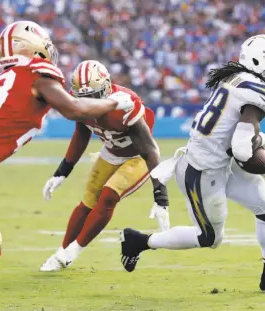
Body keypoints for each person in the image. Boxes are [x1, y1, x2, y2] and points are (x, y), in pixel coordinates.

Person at [0, 21, 135, 305]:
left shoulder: (6, 78)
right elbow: (74, 109)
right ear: (31, 47)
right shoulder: (36, 74)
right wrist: (114, 102)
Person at [119, 34, 265, 293]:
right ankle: (139, 241)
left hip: (221, 161)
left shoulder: (237, 79)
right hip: (201, 169)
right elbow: (242, 149)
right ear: (257, 62)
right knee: (208, 238)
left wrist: (256, 145)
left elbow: (235, 140)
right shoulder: (254, 90)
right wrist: (262, 155)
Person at [39, 60, 169, 271]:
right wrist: (62, 172)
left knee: (109, 195)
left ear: (107, 87)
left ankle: (74, 251)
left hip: (137, 157)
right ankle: (61, 253)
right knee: (87, 202)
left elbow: (149, 150)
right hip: (110, 153)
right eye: (83, 98)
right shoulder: (81, 105)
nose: (89, 103)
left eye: (94, 96)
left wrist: (161, 196)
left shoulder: (125, 105)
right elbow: (81, 135)